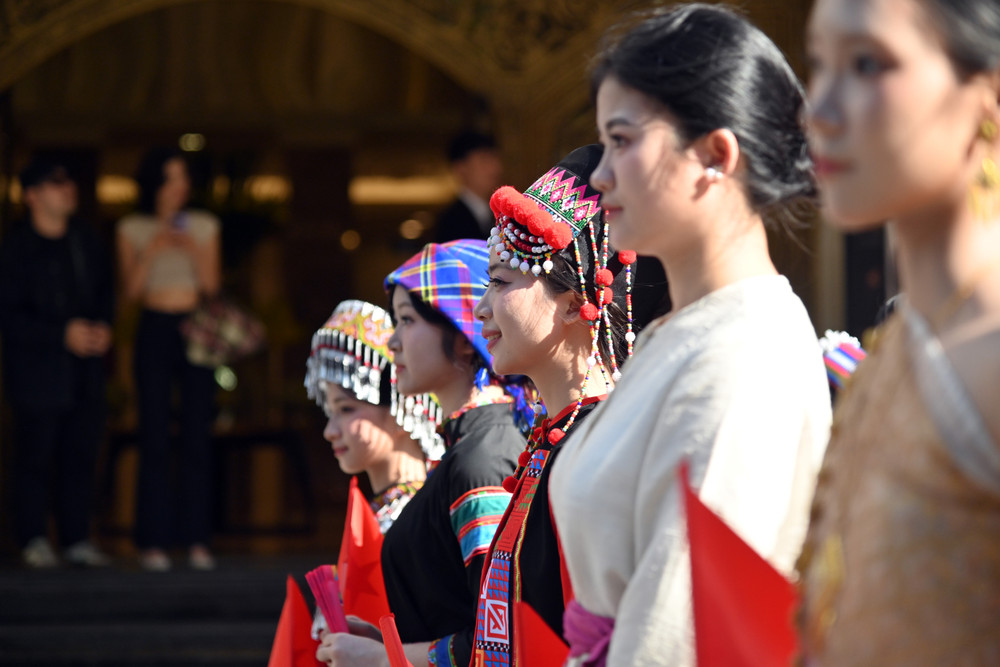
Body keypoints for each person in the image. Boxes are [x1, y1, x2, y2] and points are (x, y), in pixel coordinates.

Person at [548, 5, 833, 665]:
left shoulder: (745, 354)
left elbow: (676, 635)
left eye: (622, 140)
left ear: (714, 155)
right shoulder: (687, 331)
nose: (599, 175)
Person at [798, 0, 1000, 662]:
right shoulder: (897, 347)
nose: (820, 111)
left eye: (866, 64)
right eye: (818, 65)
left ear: (987, 95)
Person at [468, 144, 668, 666]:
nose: (481, 308)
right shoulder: (556, 437)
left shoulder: (606, 447)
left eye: (501, 282)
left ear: (577, 301)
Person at [316, 240, 527, 666]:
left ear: (463, 335)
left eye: (407, 320)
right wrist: (381, 642)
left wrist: (385, 659)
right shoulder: (466, 450)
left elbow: (500, 641)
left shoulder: (481, 459)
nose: (392, 342)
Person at [304, 299, 443, 636]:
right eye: (330, 412)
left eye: (346, 409)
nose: (330, 430)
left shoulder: (425, 515)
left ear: (402, 409)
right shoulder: (381, 512)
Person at [0, 158, 114, 568]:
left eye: (68, 181)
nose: (67, 189)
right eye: (55, 183)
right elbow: (9, 316)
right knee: (35, 454)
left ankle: (76, 537)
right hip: (36, 370)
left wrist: (103, 327)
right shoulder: (16, 248)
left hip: (85, 370)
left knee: (80, 453)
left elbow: (105, 291)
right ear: (32, 195)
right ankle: (32, 536)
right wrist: (60, 334)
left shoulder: (85, 240)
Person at [116, 147, 221, 572]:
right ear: (154, 183)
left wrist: (191, 248)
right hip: (154, 327)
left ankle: (198, 540)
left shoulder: (204, 224)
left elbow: (211, 285)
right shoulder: (132, 227)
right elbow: (130, 292)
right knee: (154, 433)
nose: (180, 186)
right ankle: (153, 541)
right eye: (171, 178)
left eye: (184, 177)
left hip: (196, 326)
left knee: (197, 433)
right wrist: (155, 247)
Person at [434, 132, 503, 243]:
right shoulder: (451, 222)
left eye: (495, 158)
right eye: (484, 160)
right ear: (460, 168)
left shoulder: (498, 215)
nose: (495, 168)